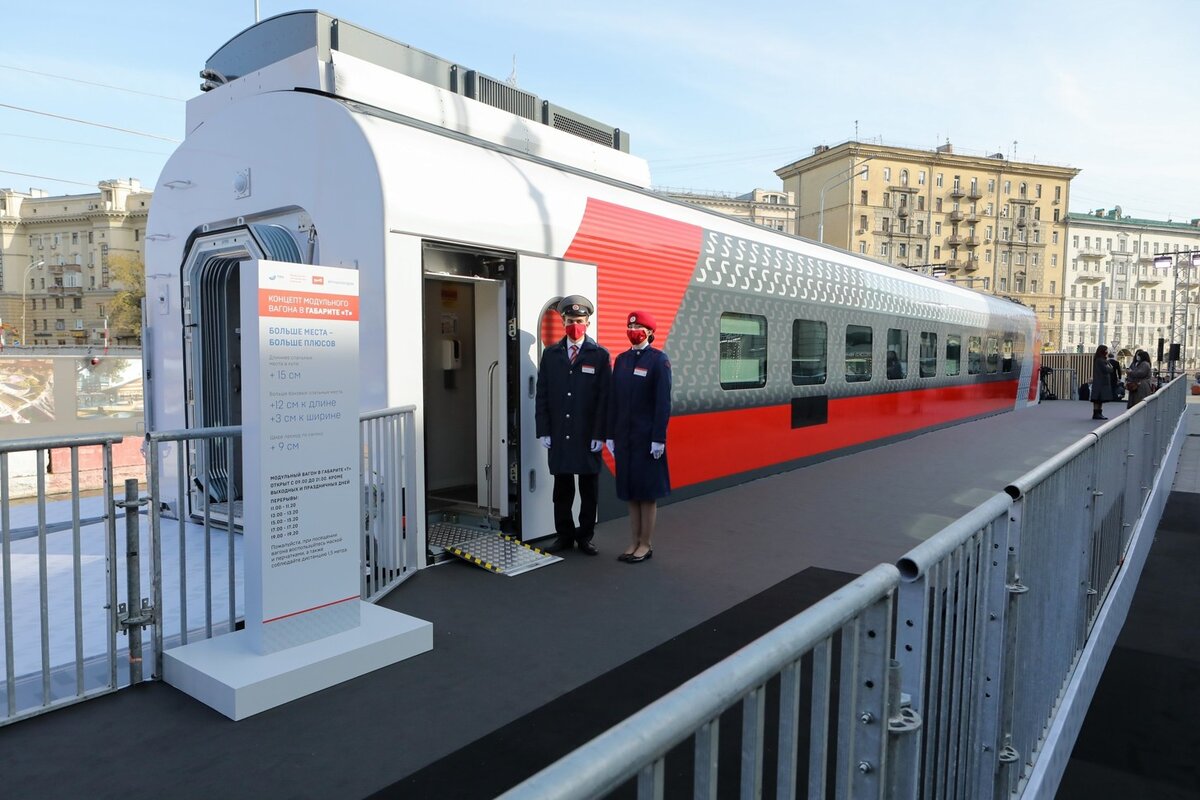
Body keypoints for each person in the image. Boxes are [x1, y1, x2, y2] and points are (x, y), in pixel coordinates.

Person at [534, 295, 611, 555]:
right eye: (569, 320)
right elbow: (542, 394)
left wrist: (601, 434)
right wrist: (543, 430)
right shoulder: (552, 354)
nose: (574, 325)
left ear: (588, 322)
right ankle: (564, 535)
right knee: (562, 489)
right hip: (560, 434)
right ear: (563, 322)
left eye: (579, 320)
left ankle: (585, 536)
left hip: (587, 434)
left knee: (588, 490)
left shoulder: (599, 355)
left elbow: (604, 399)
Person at [607, 311, 671, 564]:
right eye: (630, 326)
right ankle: (633, 541)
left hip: (647, 439)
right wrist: (610, 434)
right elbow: (614, 400)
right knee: (630, 491)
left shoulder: (658, 360)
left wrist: (658, 438)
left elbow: (662, 402)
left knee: (647, 493)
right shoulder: (621, 360)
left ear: (649, 332)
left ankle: (646, 543)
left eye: (638, 327)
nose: (633, 330)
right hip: (625, 437)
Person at [1090, 344, 1114, 420]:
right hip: (1101, 382)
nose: (1107, 351)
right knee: (1098, 398)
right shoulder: (1100, 360)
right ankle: (1097, 413)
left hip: (1100, 382)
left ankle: (1098, 413)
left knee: (1099, 399)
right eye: (1106, 350)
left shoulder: (1099, 359)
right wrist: (1111, 368)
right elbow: (1107, 369)